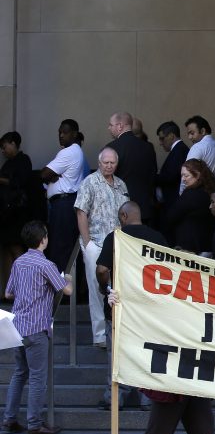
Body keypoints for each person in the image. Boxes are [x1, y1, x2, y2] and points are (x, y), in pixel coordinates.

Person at [1, 221, 72, 434]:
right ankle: (34, 423)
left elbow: (8, 294)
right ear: (43, 240)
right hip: (36, 328)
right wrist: (67, 278)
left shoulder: (18, 263)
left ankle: (9, 419)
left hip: (17, 327)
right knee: (37, 377)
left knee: (19, 373)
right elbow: (67, 290)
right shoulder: (46, 265)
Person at [96, 201, 166, 410]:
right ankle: (149, 398)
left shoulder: (116, 237)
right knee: (148, 351)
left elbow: (101, 269)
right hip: (148, 307)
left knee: (117, 354)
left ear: (124, 217)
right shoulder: (157, 238)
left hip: (120, 305)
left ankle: (115, 398)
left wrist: (105, 287)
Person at [74, 147, 130, 347]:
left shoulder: (121, 184)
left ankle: (116, 331)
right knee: (97, 289)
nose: (109, 165)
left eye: (112, 162)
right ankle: (99, 336)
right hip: (96, 243)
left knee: (118, 287)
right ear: (99, 163)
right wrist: (87, 243)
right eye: (105, 162)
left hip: (118, 243)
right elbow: (81, 212)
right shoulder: (89, 182)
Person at [40, 119, 87, 272]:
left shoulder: (68, 152)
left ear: (74, 134)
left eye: (65, 132)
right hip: (66, 203)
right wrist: (53, 176)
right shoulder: (75, 152)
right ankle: (65, 291)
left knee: (60, 248)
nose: (60, 135)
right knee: (63, 247)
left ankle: (62, 293)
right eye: (59, 132)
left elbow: (44, 174)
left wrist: (52, 175)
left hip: (63, 204)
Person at [106, 111, 158, 225]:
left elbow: (106, 181)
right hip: (145, 208)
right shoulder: (148, 147)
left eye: (110, 125)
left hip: (121, 210)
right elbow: (153, 175)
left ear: (120, 126)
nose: (109, 128)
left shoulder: (111, 148)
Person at [0, 131, 34, 293]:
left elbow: (20, 182)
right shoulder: (8, 163)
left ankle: (23, 289)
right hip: (5, 214)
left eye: (4, 146)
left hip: (16, 213)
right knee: (6, 249)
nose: (3, 150)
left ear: (13, 143)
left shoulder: (23, 160)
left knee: (15, 247)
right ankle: (8, 291)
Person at [164, 159, 215, 255]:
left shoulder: (191, 195)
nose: (183, 179)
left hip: (190, 247)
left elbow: (171, 216)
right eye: (182, 175)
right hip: (207, 244)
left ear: (197, 175)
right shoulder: (211, 190)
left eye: (186, 175)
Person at [183, 115, 215, 191]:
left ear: (202, 131)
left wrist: (182, 195)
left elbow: (187, 174)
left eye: (192, 133)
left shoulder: (197, 147)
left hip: (200, 195)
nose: (189, 137)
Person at [155, 121, 189, 221]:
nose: (160, 143)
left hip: (173, 202)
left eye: (162, 138)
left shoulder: (179, 150)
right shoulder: (178, 149)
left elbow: (171, 176)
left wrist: (152, 177)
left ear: (171, 136)